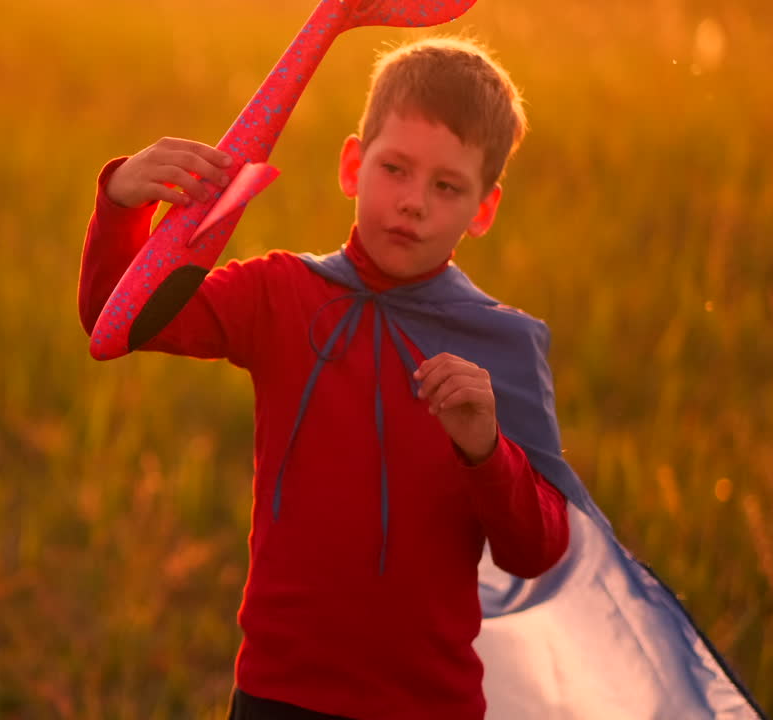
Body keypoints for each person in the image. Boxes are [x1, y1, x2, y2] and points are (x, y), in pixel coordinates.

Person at [77, 37, 570, 720]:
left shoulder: (503, 344)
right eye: (394, 168)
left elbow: (538, 549)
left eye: (447, 186)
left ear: (484, 209)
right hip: (280, 690)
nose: (414, 203)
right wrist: (124, 204)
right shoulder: (281, 292)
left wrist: (487, 450)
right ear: (351, 164)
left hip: (429, 702)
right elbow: (120, 322)